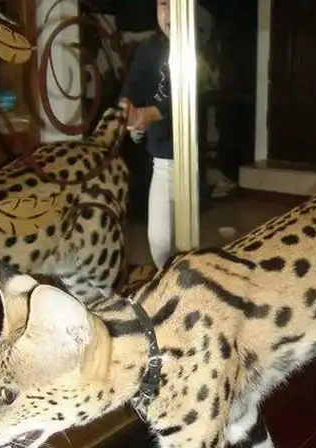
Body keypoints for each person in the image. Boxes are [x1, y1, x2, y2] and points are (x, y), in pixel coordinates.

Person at [118, 0, 213, 269]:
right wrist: (127, 106)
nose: (169, 12)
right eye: (163, 3)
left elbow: (187, 96)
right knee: (159, 241)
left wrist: (150, 114)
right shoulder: (148, 50)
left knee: (187, 243)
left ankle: (187, 283)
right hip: (161, 161)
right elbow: (133, 84)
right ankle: (166, 279)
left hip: (190, 162)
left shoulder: (198, 49)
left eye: (176, 3)